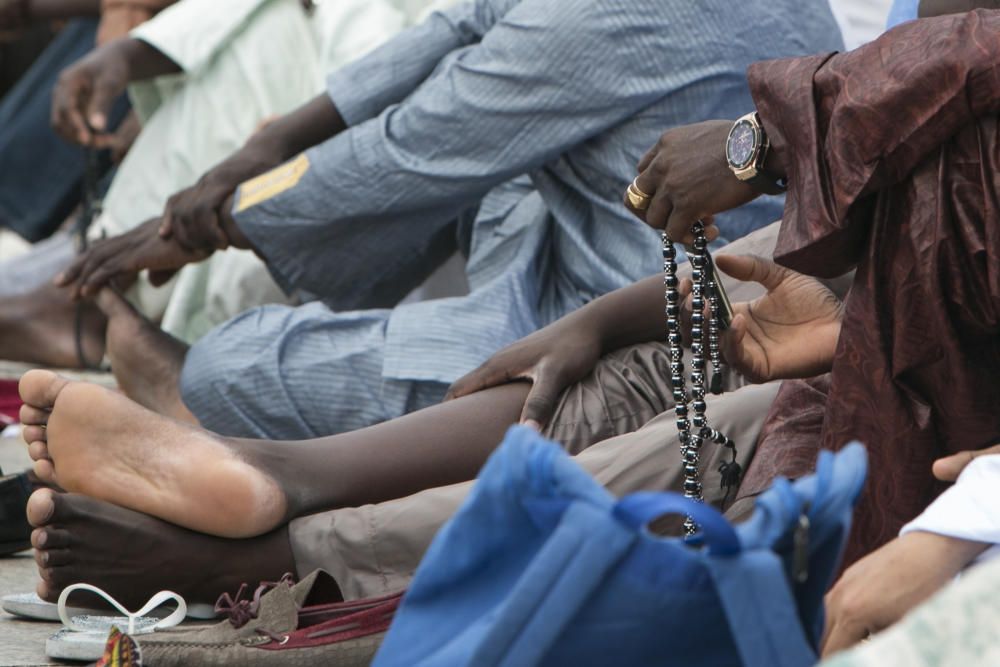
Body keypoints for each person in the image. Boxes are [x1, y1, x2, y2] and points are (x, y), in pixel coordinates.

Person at [44, 0, 841, 440]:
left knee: (227, 365)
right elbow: (464, 23)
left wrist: (200, 221)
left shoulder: (607, 18)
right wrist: (274, 145)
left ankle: (201, 402)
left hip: (631, 334)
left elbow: (410, 150)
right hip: (577, 252)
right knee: (486, 176)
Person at [0, 0, 450, 366]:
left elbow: (427, 52)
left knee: (281, 40)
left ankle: (112, 313)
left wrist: (297, 131)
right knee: (266, 27)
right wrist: (132, 48)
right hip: (354, 57)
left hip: (424, 129)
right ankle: (99, 297)